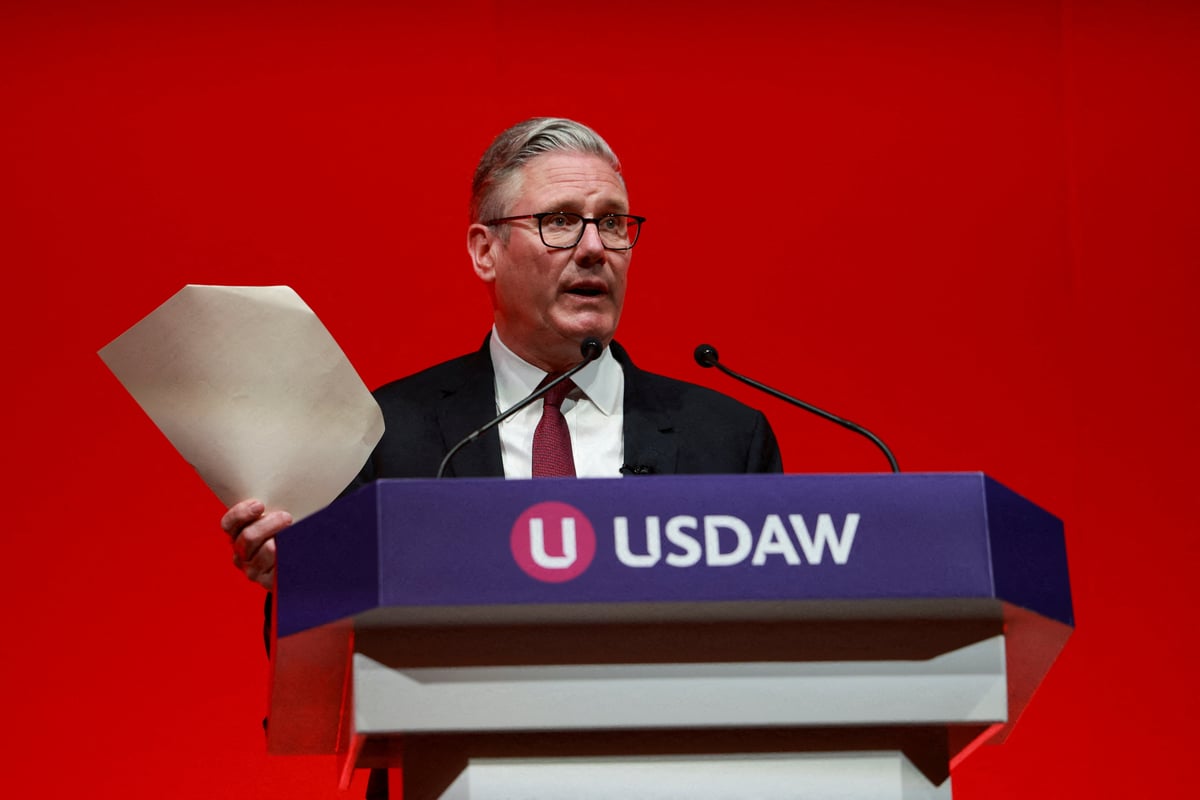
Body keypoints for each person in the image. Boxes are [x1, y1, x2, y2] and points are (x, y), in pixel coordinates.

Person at [219, 117, 783, 796]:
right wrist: (300, 582)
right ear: (485, 250)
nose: (594, 248)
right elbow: (327, 680)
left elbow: (775, 662)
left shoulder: (725, 438)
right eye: (559, 221)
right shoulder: (386, 431)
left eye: (612, 223)